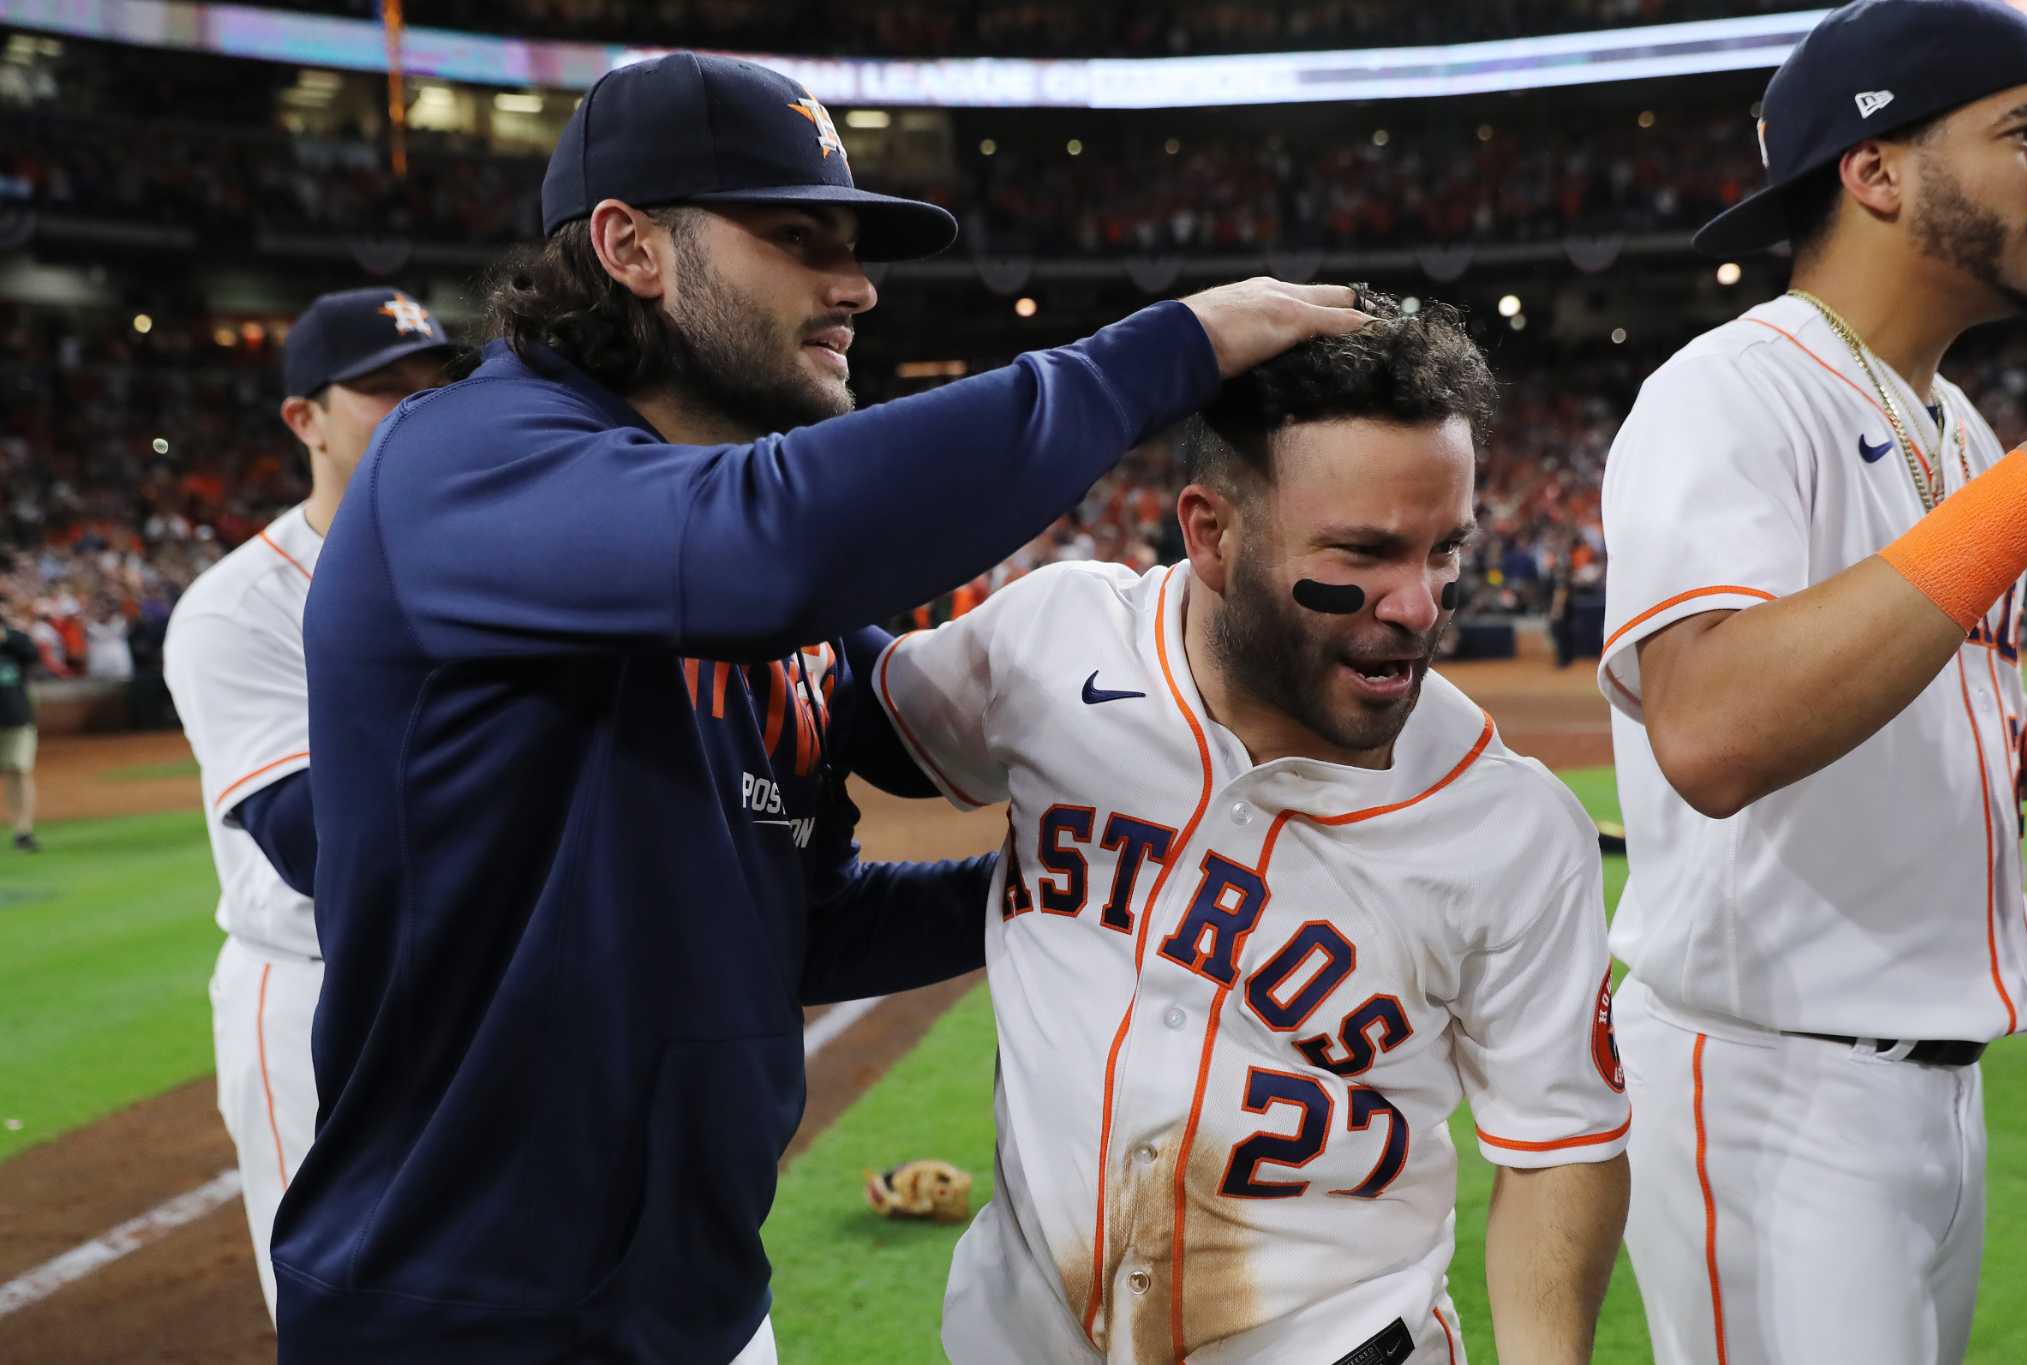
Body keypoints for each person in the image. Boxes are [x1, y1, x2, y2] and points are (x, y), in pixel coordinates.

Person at [272, 50, 1364, 1365]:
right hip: (461, 1315)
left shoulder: (732, 560)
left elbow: (809, 921)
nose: (856, 286)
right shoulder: (460, 463)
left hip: (700, 1302)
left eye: (854, 246)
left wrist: (1100, 868)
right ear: (629, 246)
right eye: (798, 239)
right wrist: (1164, 352)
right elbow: (770, 542)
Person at [878, 294, 1631, 1365]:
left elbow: (1559, 1147)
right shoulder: (1058, 641)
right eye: (1364, 553)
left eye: (1442, 550)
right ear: (1211, 534)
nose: (1417, 606)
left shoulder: (1509, 829)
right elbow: (842, 733)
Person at [1597, 3, 2027, 1362]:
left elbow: (1926, 731)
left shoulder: (1948, 418)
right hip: (1777, 1080)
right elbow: (1714, 729)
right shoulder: (1730, 391)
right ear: (1877, 170)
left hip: (1920, 1078)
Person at [162, 286, 457, 1320]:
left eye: (437, 385)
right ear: (305, 419)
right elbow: (320, 847)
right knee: (353, 1312)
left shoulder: (493, 564)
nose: (420, 409)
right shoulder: (240, 606)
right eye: (385, 391)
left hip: (482, 977)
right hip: (316, 998)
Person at [0, 594, 41, 852]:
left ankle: (23, 831)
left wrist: (7, 637)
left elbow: (32, 653)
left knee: (20, 770)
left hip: (16, 715)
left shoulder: (14, 639)